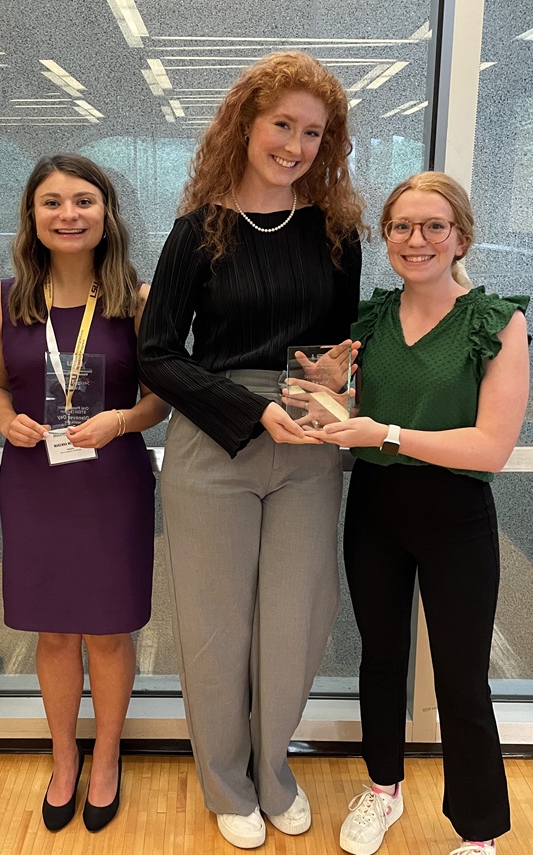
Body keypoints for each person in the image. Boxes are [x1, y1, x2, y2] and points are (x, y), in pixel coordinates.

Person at [137, 51, 365, 849]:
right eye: (283, 125)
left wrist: (336, 366)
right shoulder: (197, 233)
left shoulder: (336, 231)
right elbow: (157, 352)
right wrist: (249, 409)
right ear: (246, 123)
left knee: (296, 619)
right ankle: (226, 782)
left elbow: (339, 341)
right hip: (216, 438)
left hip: (307, 436)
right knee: (214, 622)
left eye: (313, 132)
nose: (296, 145)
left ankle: (275, 770)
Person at [317, 171, 529, 855]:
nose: (418, 239)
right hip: (376, 506)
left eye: (434, 226)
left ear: (461, 236)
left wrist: (387, 433)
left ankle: (478, 832)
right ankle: (383, 789)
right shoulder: (372, 320)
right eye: (402, 227)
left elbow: (491, 447)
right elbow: (348, 414)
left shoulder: (497, 323)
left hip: (457, 513)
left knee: (462, 674)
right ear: (386, 238)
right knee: (380, 657)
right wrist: (323, 395)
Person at [0, 154, 169, 833]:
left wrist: (120, 419)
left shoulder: (138, 302)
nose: (68, 214)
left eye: (83, 200)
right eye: (52, 202)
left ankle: (109, 756)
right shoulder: (3, 300)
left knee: (110, 635)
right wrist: (5, 420)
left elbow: (160, 399)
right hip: (37, 480)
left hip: (111, 480)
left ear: (107, 213)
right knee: (53, 634)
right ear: (32, 215)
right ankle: (65, 757)